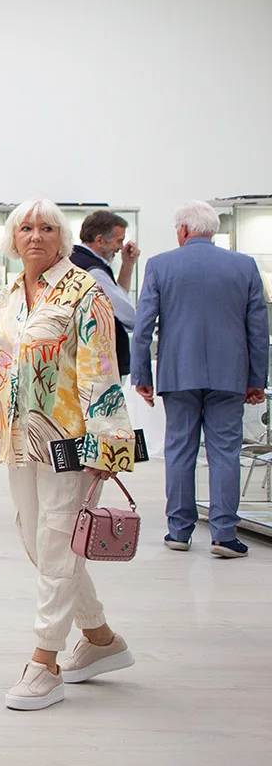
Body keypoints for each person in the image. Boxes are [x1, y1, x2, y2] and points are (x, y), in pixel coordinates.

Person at [0, 198, 137, 711]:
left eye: (46, 228)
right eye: (26, 228)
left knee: (58, 542)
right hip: (21, 439)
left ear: (62, 237)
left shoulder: (86, 291)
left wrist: (108, 445)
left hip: (73, 441)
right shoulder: (9, 294)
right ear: (13, 239)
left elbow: (101, 370)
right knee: (38, 541)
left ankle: (45, 661)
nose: (35, 236)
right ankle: (102, 640)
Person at [132, 200, 268, 559]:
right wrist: (257, 379)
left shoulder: (160, 265)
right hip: (230, 374)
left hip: (178, 373)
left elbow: (143, 326)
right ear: (213, 230)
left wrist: (142, 374)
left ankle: (179, 530)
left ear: (182, 231)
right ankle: (224, 534)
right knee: (226, 452)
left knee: (179, 450)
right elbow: (258, 328)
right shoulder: (244, 266)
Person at [71, 211, 138, 379]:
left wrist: (127, 265)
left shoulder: (78, 261)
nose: (121, 247)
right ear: (100, 240)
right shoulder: (93, 271)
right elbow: (126, 314)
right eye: (119, 241)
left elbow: (117, 297)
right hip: (98, 363)